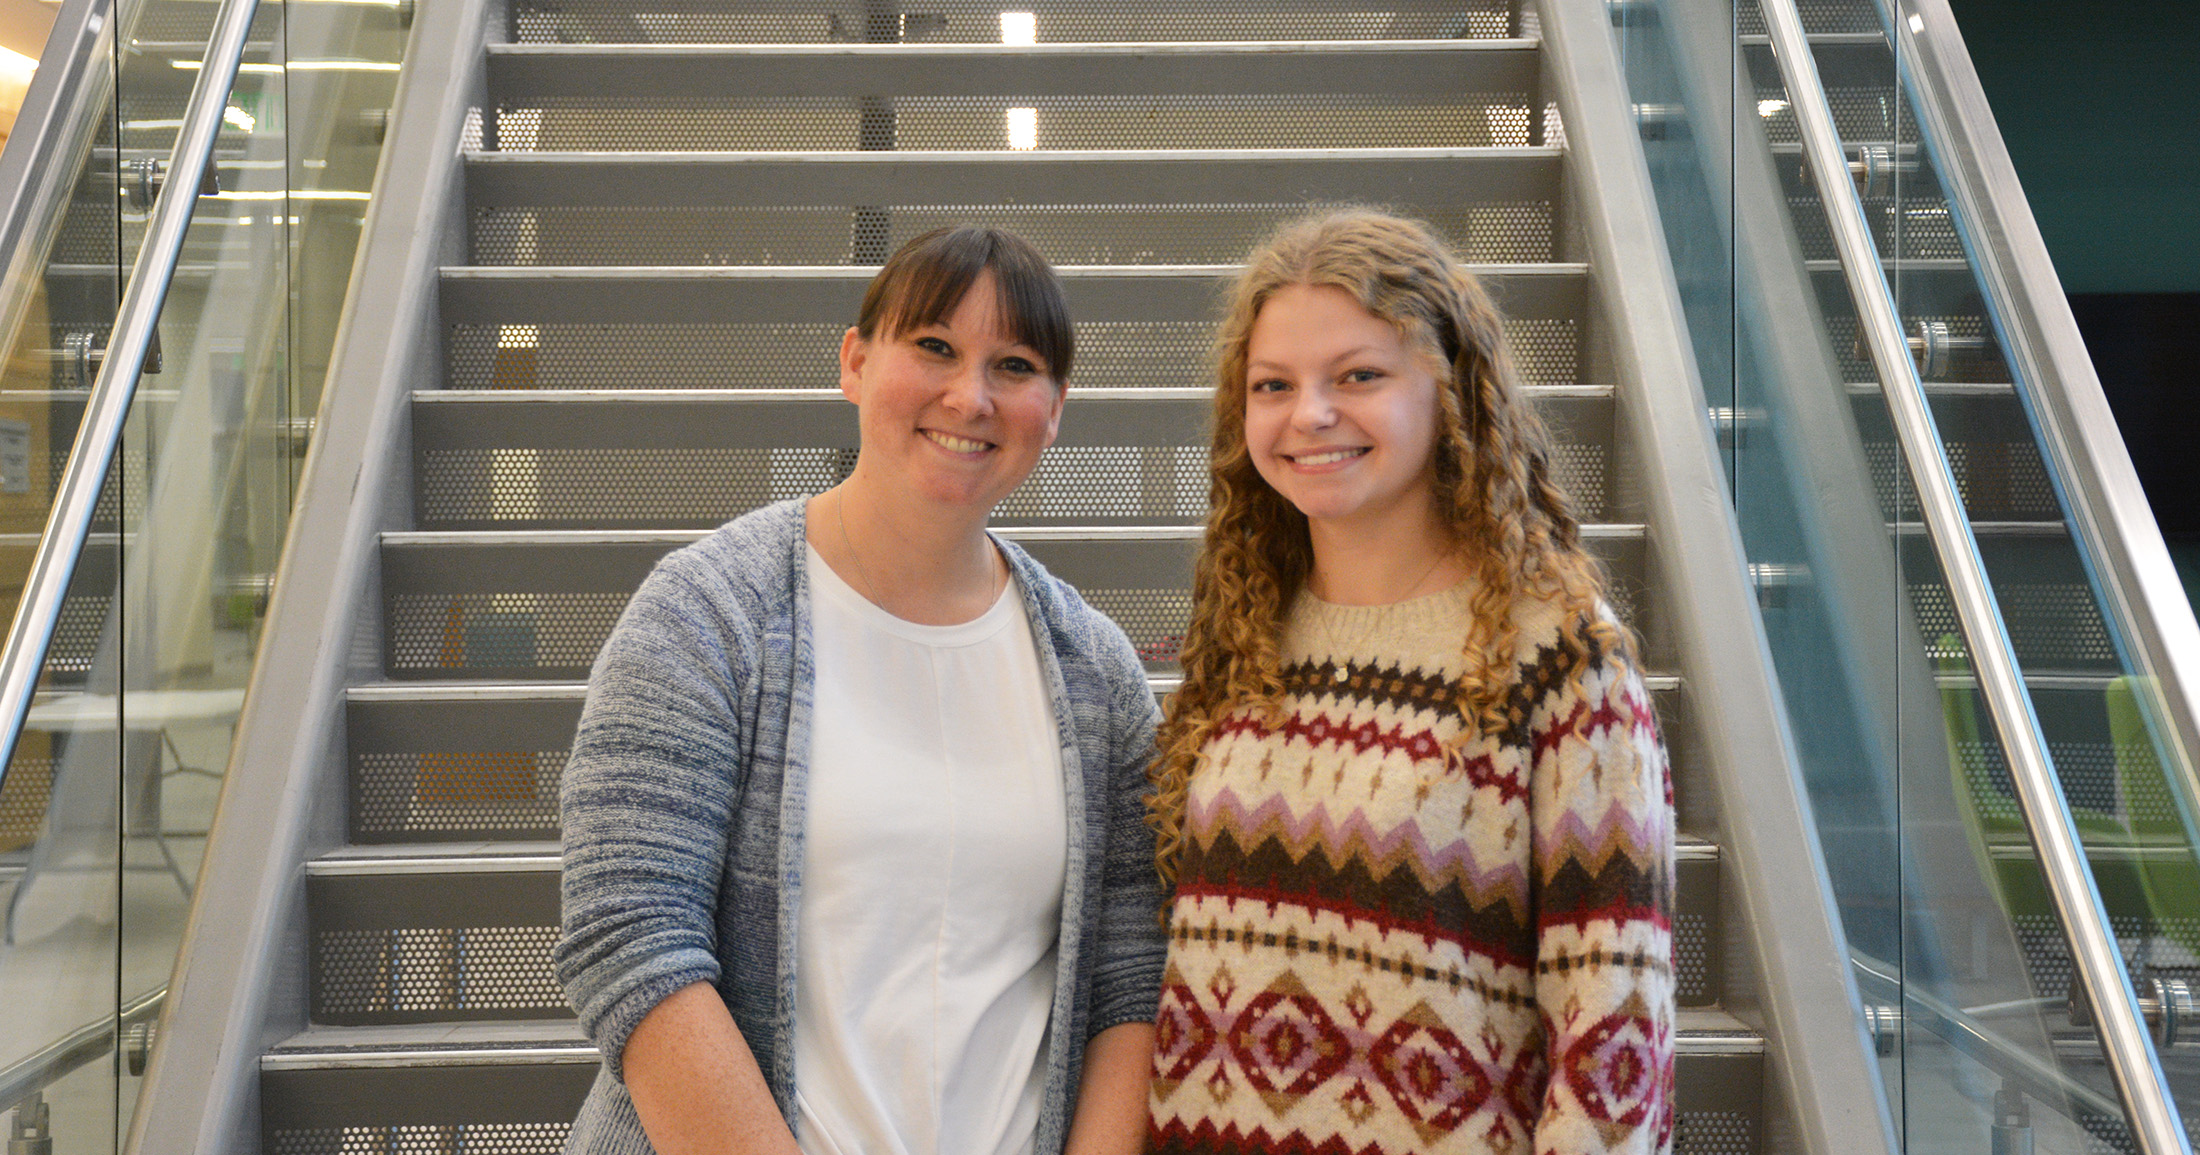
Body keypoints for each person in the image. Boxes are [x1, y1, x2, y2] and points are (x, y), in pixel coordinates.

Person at [554, 225, 1164, 1155]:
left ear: (1056, 406)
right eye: (934, 348)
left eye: (1015, 363)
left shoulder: (1097, 671)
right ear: (854, 360)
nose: (971, 395)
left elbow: (1132, 979)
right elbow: (631, 936)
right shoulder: (707, 612)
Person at [1144, 210, 1676, 1154]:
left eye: (1358, 376)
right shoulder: (1242, 632)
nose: (1309, 413)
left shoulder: (1560, 659)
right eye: (1274, 385)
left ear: (1452, 393)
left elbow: (1613, 1056)